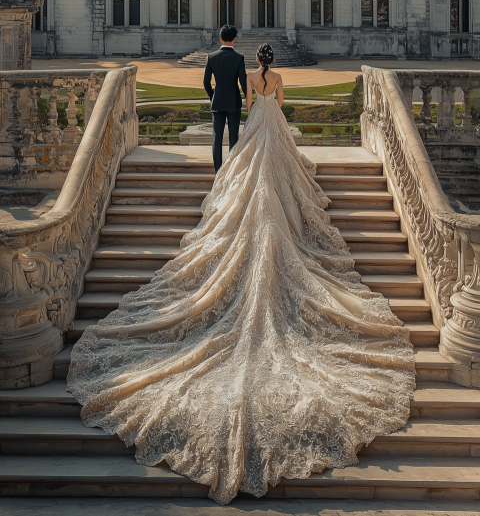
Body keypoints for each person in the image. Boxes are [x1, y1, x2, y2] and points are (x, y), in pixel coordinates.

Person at [67, 43, 415, 506]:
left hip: (252, 125)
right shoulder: (278, 79)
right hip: (276, 131)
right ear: (276, 62)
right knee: (283, 182)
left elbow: (250, 104)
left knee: (240, 167)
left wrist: (246, 99)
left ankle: (227, 177)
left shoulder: (250, 78)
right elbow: (278, 106)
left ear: (257, 61)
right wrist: (270, 101)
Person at [203, 24, 247, 173]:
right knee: (234, 136)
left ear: (220, 38)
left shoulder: (211, 57)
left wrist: (212, 96)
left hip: (218, 101)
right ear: (235, 39)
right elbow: (243, 82)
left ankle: (218, 172)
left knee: (217, 137)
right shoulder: (239, 58)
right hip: (234, 101)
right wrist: (248, 100)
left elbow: (206, 82)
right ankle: (232, 172)